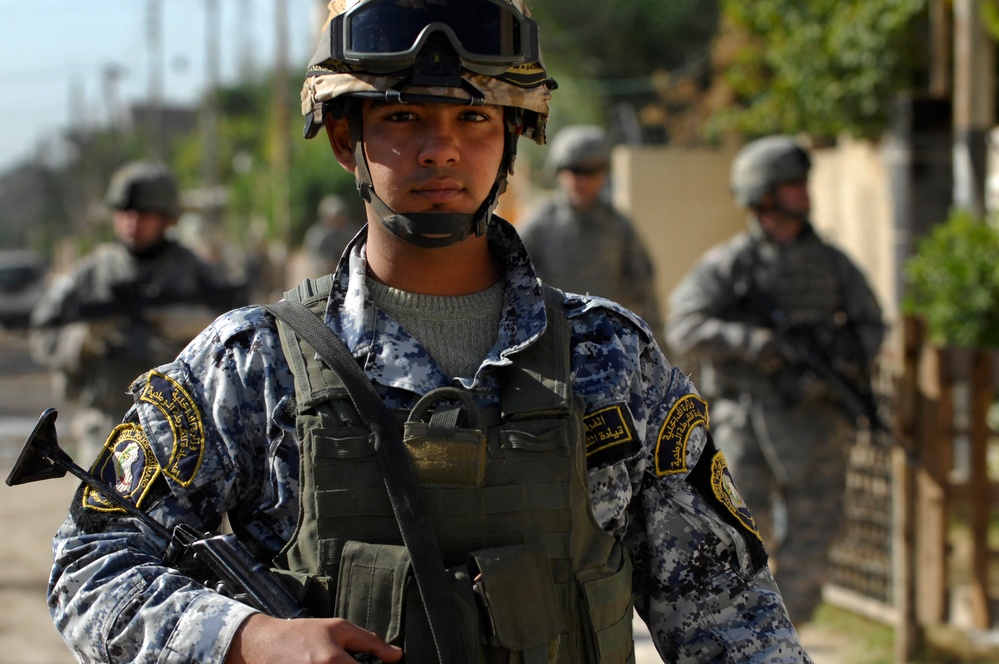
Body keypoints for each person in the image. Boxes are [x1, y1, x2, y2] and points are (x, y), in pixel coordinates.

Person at [47, 3, 810, 663]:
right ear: (347, 140)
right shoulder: (251, 363)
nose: (440, 147)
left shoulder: (610, 359)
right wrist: (243, 639)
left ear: (511, 140)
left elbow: (729, 612)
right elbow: (90, 561)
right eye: (403, 117)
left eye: (473, 118)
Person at [665, 135, 887, 625]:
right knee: (739, 534)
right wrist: (750, 343)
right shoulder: (732, 263)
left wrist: (840, 364)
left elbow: (872, 324)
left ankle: (792, 633)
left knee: (816, 532)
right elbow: (684, 323)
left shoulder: (831, 262)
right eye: (792, 184)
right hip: (748, 418)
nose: (805, 192)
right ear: (763, 194)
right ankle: (745, 634)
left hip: (817, 421)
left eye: (803, 182)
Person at [30, 160, 245, 463]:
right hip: (107, 425)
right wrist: (85, 338)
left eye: (144, 213)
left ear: (167, 218)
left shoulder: (197, 273)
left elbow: (243, 329)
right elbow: (43, 333)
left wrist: (197, 325)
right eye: (124, 211)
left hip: (184, 425)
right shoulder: (89, 275)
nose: (133, 221)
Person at [518, 124, 662, 332]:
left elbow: (644, 289)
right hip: (553, 339)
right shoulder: (540, 225)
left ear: (603, 173)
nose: (582, 180)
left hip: (607, 340)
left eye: (590, 171)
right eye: (575, 170)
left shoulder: (619, 226)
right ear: (559, 171)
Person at [303, 193, 364, 276]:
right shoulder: (316, 236)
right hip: (324, 276)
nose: (338, 221)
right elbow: (315, 259)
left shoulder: (352, 232)